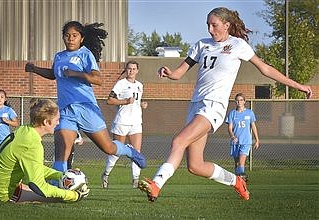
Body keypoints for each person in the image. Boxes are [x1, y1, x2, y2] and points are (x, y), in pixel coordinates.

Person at [137, 7, 312, 202]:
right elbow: (178, 73)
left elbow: (266, 69)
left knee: (178, 141)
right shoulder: (201, 45)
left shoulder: (238, 45)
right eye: (208, 25)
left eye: (214, 25)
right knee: (195, 166)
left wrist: (298, 85)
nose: (210, 30)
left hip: (214, 106)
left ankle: (156, 184)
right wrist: (168, 72)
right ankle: (236, 181)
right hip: (195, 105)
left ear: (227, 25)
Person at [25, 21, 146, 177]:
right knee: (62, 150)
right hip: (66, 110)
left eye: (75, 36)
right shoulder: (59, 56)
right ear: (63, 37)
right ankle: (58, 185)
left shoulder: (85, 54)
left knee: (108, 148)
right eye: (67, 35)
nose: (70, 39)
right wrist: (34, 69)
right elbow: (54, 74)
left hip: (86, 108)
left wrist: (77, 73)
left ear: (81, 38)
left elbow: (98, 79)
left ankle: (129, 150)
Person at [0, 99, 89, 203]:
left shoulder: (25, 129)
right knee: (56, 197)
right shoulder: (33, 144)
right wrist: (73, 195)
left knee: (51, 191)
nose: (58, 123)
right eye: (57, 119)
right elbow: (39, 186)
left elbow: (35, 167)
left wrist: (60, 175)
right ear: (46, 122)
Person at [101, 60, 148, 189]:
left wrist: (142, 104)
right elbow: (109, 100)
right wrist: (125, 101)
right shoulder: (121, 84)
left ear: (137, 71)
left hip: (136, 122)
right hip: (122, 122)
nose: (131, 71)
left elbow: (139, 99)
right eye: (129, 69)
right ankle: (106, 174)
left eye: (133, 69)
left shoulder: (140, 85)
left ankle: (135, 180)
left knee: (136, 152)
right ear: (126, 70)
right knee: (116, 151)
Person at [225, 93, 260, 182]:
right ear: (235, 102)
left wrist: (257, 140)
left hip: (246, 142)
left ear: (244, 101)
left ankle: (242, 182)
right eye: (237, 100)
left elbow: (253, 126)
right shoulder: (232, 114)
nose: (239, 102)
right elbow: (229, 128)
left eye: (241, 100)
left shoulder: (249, 112)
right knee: (237, 164)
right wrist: (233, 137)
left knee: (241, 163)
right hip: (235, 142)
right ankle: (239, 182)